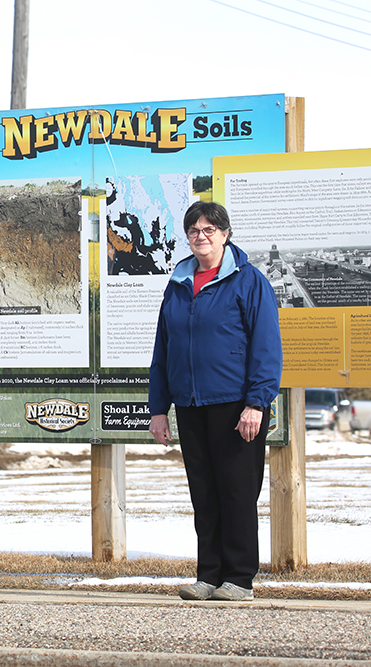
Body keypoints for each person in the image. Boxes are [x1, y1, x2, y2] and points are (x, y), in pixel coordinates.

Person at [148, 201, 282, 602]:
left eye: (209, 229)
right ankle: (208, 575)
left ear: (225, 234)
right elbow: (162, 351)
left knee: (237, 492)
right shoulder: (178, 284)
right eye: (194, 230)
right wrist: (158, 408)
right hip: (190, 405)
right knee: (204, 493)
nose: (201, 236)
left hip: (235, 406)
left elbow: (266, 347)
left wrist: (257, 403)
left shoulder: (249, 281)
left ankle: (239, 578)